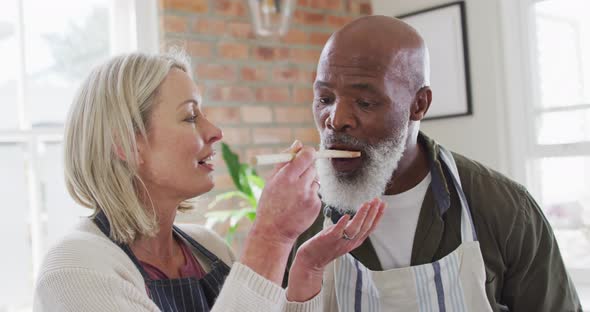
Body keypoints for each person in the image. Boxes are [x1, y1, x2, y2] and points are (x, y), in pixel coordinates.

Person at [33, 50, 385, 312]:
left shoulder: (209, 248)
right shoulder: (74, 269)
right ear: (126, 143)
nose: (214, 131)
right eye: (189, 116)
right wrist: (271, 237)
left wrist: (308, 269)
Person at [287, 15, 582, 311]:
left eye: (365, 102)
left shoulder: (505, 209)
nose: (336, 121)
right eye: (325, 99)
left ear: (419, 105)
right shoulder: (301, 217)